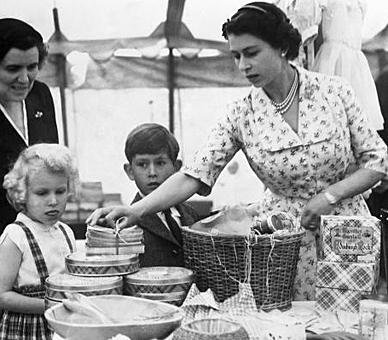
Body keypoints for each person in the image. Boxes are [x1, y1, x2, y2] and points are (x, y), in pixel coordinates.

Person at [87, 2, 388, 301]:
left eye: (252, 53)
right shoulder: (241, 114)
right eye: (236, 56)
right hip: (282, 243)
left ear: (281, 47)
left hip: (346, 234)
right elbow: (194, 174)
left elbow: (378, 159)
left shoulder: (336, 92)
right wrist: (136, 209)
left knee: (350, 326)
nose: (243, 65)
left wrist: (330, 195)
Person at [0, 143, 78, 340]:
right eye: (42, 193)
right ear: (21, 194)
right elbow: (2, 295)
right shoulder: (16, 236)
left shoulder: (65, 231)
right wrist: (48, 305)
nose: (53, 201)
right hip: (27, 328)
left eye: (60, 191)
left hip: (63, 325)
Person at [0, 18, 59, 235]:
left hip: (41, 233)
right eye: (13, 68)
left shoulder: (40, 95)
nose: (24, 79)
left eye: (32, 67)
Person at [123, 123, 199, 267]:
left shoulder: (191, 215)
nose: (152, 173)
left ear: (176, 167)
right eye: (142, 164)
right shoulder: (127, 225)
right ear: (130, 171)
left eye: (160, 163)